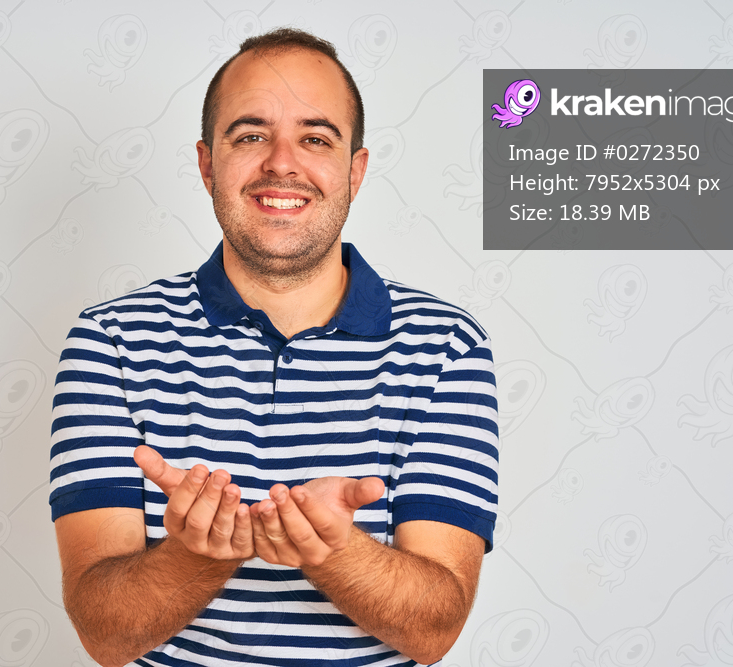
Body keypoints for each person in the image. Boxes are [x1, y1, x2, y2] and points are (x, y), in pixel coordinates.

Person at [50, 28, 498, 667]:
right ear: (208, 164)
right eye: (251, 135)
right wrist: (199, 556)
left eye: (316, 138)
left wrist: (334, 548)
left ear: (355, 170)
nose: (282, 163)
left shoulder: (447, 346)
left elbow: (434, 631)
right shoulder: (108, 341)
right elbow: (104, 634)